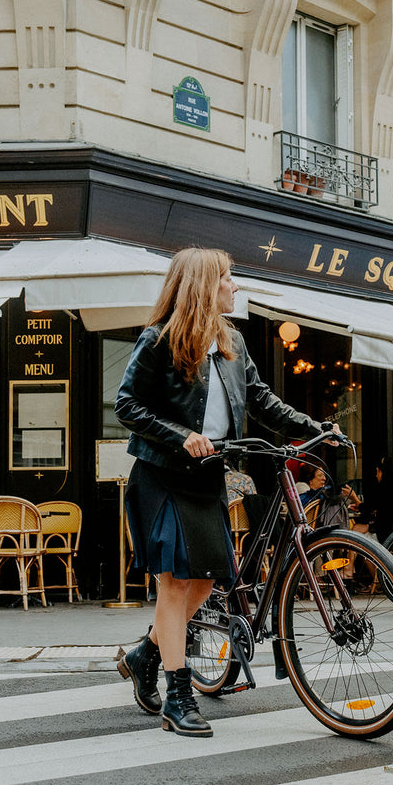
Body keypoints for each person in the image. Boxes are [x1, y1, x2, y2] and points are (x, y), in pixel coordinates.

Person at [114, 247, 328, 739]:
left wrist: (312, 427)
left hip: (207, 477)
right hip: (164, 475)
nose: (235, 287)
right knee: (174, 583)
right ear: (203, 286)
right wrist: (179, 435)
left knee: (209, 579)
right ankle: (179, 695)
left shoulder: (232, 342)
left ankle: (146, 653)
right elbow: (126, 404)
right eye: (228, 279)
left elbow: (260, 398)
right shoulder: (159, 340)